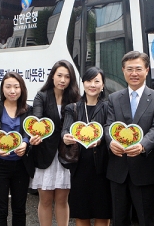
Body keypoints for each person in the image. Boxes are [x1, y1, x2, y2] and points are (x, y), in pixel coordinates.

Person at [104, 51, 154, 226]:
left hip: (144, 168)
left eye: (138, 69)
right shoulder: (114, 98)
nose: (134, 73)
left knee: (147, 219)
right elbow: (108, 125)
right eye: (129, 69)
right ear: (123, 71)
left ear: (147, 70)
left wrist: (142, 145)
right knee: (119, 219)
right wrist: (111, 142)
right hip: (118, 170)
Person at [30, 60, 81, 226]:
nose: (63, 80)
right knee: (45, 200)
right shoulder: (42, 96)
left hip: (66, 155)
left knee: (62, 199)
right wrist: (35, 133)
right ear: (52, 76)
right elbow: (37, 118)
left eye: (67, 76)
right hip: (45, 153)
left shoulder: (74, 97)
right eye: (59, 75)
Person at [62, 67, 112, 226]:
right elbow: (65, 129)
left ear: (103, 85)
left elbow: (109, 129)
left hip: (103, 167)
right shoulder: (73, 108)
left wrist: (101, 140)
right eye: (89, 81)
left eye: (97, 81)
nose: (93, 85)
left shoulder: (108, 107)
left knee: (102, 214)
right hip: (80, 167)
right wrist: (66, 137)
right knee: (81, 214)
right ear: (83, 83)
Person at [0, 72, 35, 226]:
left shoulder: (28, 109)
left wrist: (26, 143)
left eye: (16, 86)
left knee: (19, 208)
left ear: (22, 89)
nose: (12, 91)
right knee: (0, 209)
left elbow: (29, 129)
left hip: (20, 165)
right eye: (8, 87)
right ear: (2, 89)